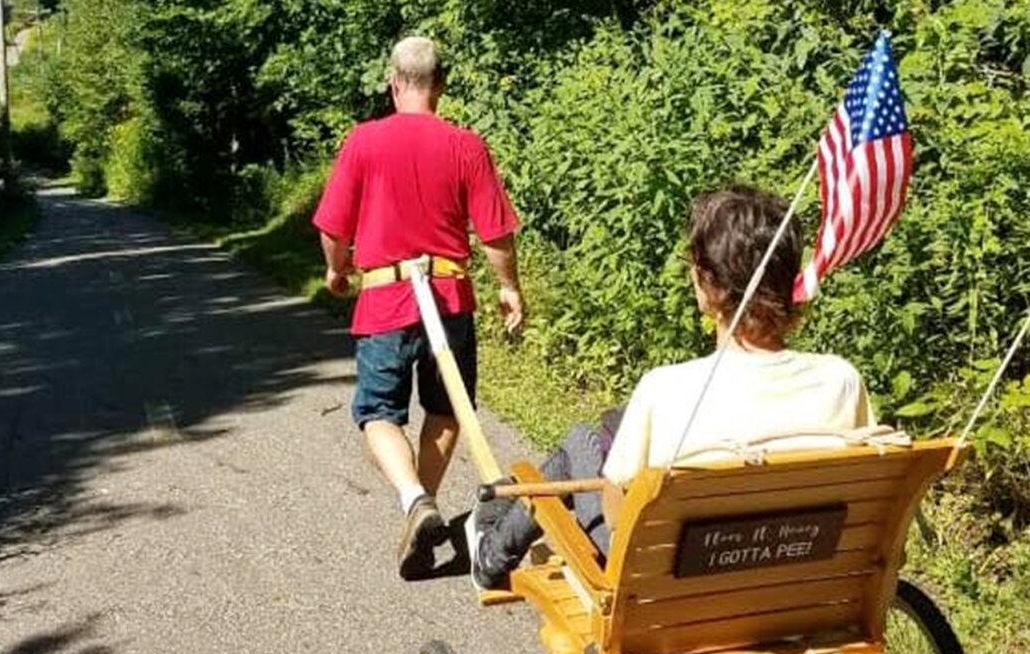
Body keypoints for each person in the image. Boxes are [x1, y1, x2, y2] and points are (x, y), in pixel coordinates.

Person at [466, 185, 877, 590]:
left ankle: (492, 553)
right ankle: (497, 520)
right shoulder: (841, 379)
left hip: (674, 591)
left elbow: (615, 516)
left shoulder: (667, 390)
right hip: (802, 583)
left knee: (581, 440)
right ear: (790, 280)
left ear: (705, 283)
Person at [312, 36, 524, 580]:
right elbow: (496, 233)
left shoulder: (363, 141)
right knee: (448, 409)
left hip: (385, 299)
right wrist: (510, 288)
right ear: (442, 84)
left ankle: (414, 502)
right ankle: (421, 503)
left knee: (378, 412)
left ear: (393, 81)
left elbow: (334, 227)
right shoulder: (466, 144)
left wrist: (336, 270)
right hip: (449, 297)